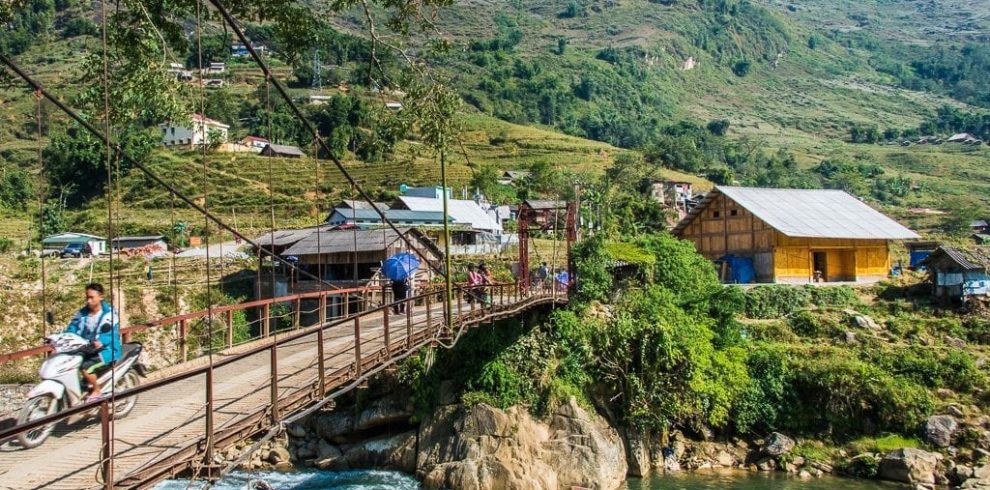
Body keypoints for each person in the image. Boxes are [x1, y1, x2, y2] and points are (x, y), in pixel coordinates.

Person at [63, 283, 121, 401]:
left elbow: (110, 332)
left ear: (100, 297)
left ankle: (96, 390)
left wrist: (101, 341)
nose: (89, 301)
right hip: (87, 348)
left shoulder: (109, 314)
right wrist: (63, 338)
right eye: (87, 297)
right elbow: (72, 327)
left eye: (92, 297)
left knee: (85, 367)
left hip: (107, 349)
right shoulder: (82, 313)